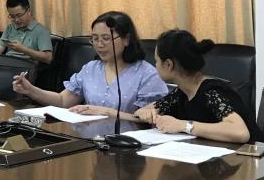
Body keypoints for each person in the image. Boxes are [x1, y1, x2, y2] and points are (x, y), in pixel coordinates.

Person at [12, 11, 168, 118]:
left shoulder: (147, 74)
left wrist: (105, 112)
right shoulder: (91, 68)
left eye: (106, 38)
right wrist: (30, 90)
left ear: (126, 39)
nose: (99, 44)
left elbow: (148, 119)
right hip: (90, 140)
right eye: (95, 39)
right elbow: (63, 101)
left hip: (129, 144)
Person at [134, 29, 257, 142]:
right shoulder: (182, 92)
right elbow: (147, 110)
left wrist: (184, 125)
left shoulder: (212, 91)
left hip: (250, 155)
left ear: (168, 65)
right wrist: (144, 112)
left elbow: (240, 133)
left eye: (156, 61)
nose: (155, 65)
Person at [0, 0, 53, 64]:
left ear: (29, 11)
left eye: (19, 15)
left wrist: (24, 50)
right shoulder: (10, 28)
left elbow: (48, 58)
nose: (16, 20)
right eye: (12, 16)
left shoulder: (41, 31)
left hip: (26, 66)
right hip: (7, 64)